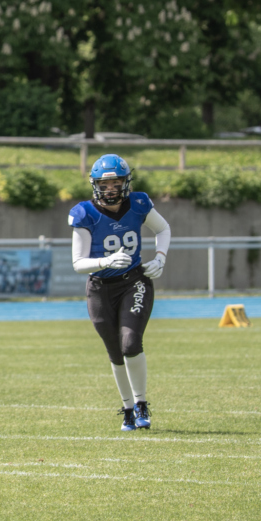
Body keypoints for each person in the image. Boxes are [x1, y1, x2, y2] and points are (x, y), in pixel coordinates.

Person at [69, 154, 171, 431]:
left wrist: (160, 257)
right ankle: (127, 408)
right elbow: (79, 263)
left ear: (126, 183)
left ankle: (140, 404)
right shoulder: (84, 213)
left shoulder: (138, 203)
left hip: (133, 281)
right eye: (106, 184)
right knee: (115, 351)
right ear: (95, 185)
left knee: (130, 343)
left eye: (117, 182)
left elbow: (162, 229)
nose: (112, 188)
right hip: (100, 287)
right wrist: (105, 261)